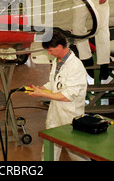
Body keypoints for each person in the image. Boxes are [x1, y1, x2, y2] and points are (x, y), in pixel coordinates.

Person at [27, 31, 89, 161]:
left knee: (77, 153)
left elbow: (68, 96)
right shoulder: (57, 61)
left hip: (70, 116)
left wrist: (42, 94)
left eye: (50, 50)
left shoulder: (75, 66)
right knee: (49, 149)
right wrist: (41, 88)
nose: (48, 53)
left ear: (60, 47)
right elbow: (55, 83)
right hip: (55, 114)